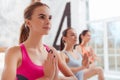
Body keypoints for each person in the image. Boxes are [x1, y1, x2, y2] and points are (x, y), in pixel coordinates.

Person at [1, 2, 77, 80]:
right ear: (28, 23)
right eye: (42, 17)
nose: (48, 22)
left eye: (50, 18)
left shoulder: (51, 52)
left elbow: (74, 78)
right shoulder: (14, 52)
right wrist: (46, 78)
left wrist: (57, 78)